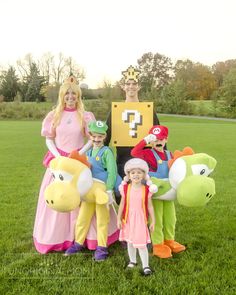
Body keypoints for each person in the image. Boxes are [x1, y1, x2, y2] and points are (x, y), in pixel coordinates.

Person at [33, 75, 96, 254]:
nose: (70, 97)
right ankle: (57, 238)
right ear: (62, 95)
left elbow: (92, 139)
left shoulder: (85, 115)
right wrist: (57, 157)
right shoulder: (54, 115)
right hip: (58, 162)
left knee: (80, 197)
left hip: (77, 161)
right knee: (58, 195)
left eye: (73, 94)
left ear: (78, 96)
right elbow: (49, 139)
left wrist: (78, 154)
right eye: (67, 93)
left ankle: (82, 237)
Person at [64, 120, 121, 260]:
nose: (96, 139)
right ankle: (78, 243)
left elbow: (112, 172)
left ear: (104, 137)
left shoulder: (106, 151)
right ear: (90, 136)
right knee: (82, 218)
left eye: (100, 137)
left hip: (101, 191)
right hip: (88, 191)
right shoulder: (88, 151)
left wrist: (109, 189)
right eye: (94, 136)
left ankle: (102, 247)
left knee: (102, 220)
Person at [131, 125, 186, 258]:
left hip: (169, 192)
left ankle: (170, 240)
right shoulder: (148, 152)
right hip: (156, 193)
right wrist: (145, 141)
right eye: (155, 139)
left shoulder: (169, 154)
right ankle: (158, 244)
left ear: (166, 140)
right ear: (151, 140)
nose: (158, 142)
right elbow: (134, 152)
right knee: (157, 219)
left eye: (161, 139)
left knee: (170, 218)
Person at [105, 65, 160, 197]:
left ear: (139, 86)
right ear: (123, 86)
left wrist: (162, 159)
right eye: (128, 84)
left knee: (143, 197)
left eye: (134, 83)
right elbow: (106, 136)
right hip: (123, 158)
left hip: (143, 158)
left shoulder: (147, 110)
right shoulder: (117, 110)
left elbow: (158, 135)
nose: (131, 86)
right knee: (122, 196)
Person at [117, 158, 156, 276]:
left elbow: (150, 206)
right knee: (130, 241)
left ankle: (146, 266)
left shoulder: (146, 190)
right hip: (128, 219)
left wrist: (153, 220)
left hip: (140, 220)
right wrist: (119, 218)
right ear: (128, 175)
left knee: (141, 243)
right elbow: (122, 204)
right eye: (133, 173)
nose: (136, 175)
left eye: (139, 172)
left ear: (144, 175)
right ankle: (132, 261)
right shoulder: (125, 188)